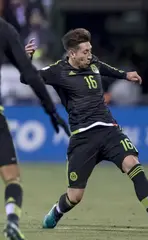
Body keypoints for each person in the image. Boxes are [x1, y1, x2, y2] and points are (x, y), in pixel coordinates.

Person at [23, 28, 148, 233]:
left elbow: (103, 67)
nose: (89, 55)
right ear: (72, 53)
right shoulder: (57, 71)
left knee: (133, 164)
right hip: (82, 138)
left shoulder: (92, 61)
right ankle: (57, 211)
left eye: (90, 50)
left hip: (109, 130)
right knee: (75, 197)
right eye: (85, 52)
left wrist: (125, 75)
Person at [0, 18, 69, 240]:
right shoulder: (4, 29)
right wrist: (51, 110)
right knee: (11, 178)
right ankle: (11, 223)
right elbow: (29, 74)